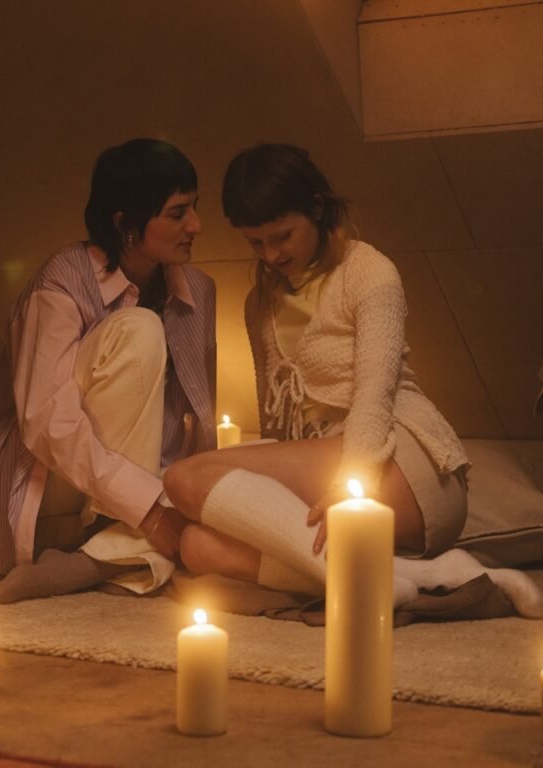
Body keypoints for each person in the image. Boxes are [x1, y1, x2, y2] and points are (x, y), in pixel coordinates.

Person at [162, 143, 471, 597]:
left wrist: (355, 484)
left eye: (282, 236)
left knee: (182, 479)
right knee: (198, 546)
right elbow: (277, 420)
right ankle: (409, 580)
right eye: (256, 242)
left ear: (317, 209)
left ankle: (371, 578)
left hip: (400, 463)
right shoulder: (260, 301)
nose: (270, 254)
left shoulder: (368, 271)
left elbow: (374, 392)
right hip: (326, 462)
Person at [0, 138, 215, 600]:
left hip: (143, 473)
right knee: (137, 329)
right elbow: (46, 422)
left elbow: (196, 419)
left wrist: (197, 496)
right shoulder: (61, 281)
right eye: (177, 213)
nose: (196, 225)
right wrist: (150, 511)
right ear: (125, 223)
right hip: (50, 473)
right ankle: (117, 547)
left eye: (194, 208)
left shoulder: (198, 289)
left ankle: (97, 558)